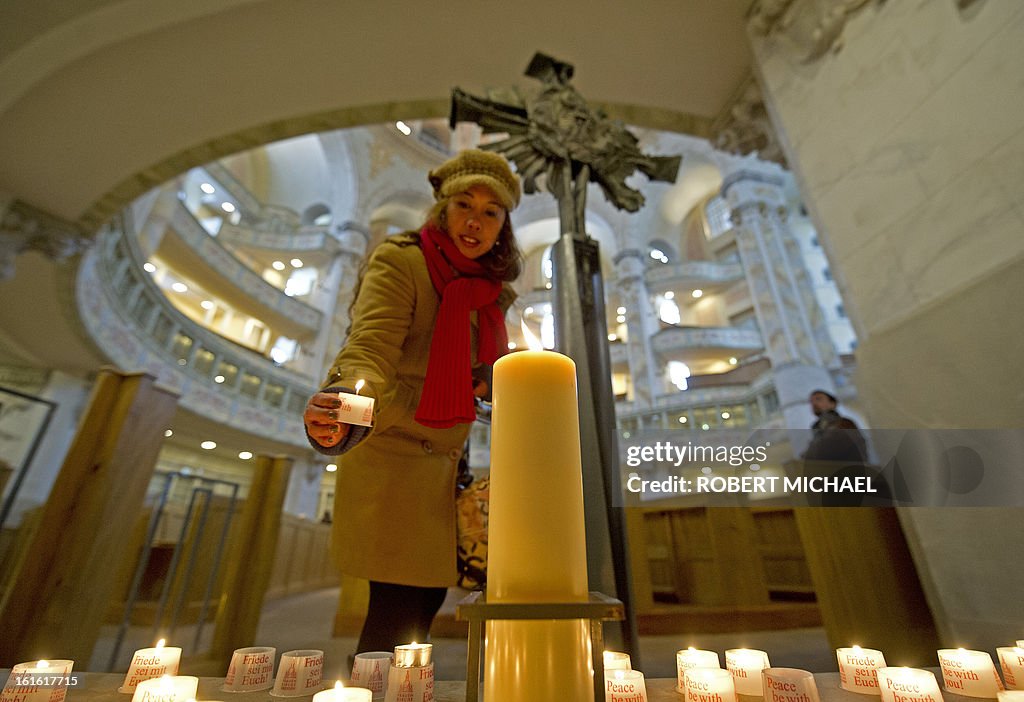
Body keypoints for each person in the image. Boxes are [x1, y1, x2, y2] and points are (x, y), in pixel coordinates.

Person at [302, 149, 522, 654]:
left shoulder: (487, 291)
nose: (476, 220)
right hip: (397, 456)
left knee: (422, 605)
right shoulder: (403, 261)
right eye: (465, 204)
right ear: (442, 209)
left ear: (503, 225)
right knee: (395, 614)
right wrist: (347, 399)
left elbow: (469, 374)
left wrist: (488, 382)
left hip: (448, 463)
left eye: (492, 212)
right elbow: (368, 348)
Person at [802, 389, 868, 464]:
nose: (814, 403)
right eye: (811, 401)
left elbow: (826, 448)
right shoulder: (818, 428)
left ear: (832, 403)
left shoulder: (844, 423)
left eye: (818, 399)